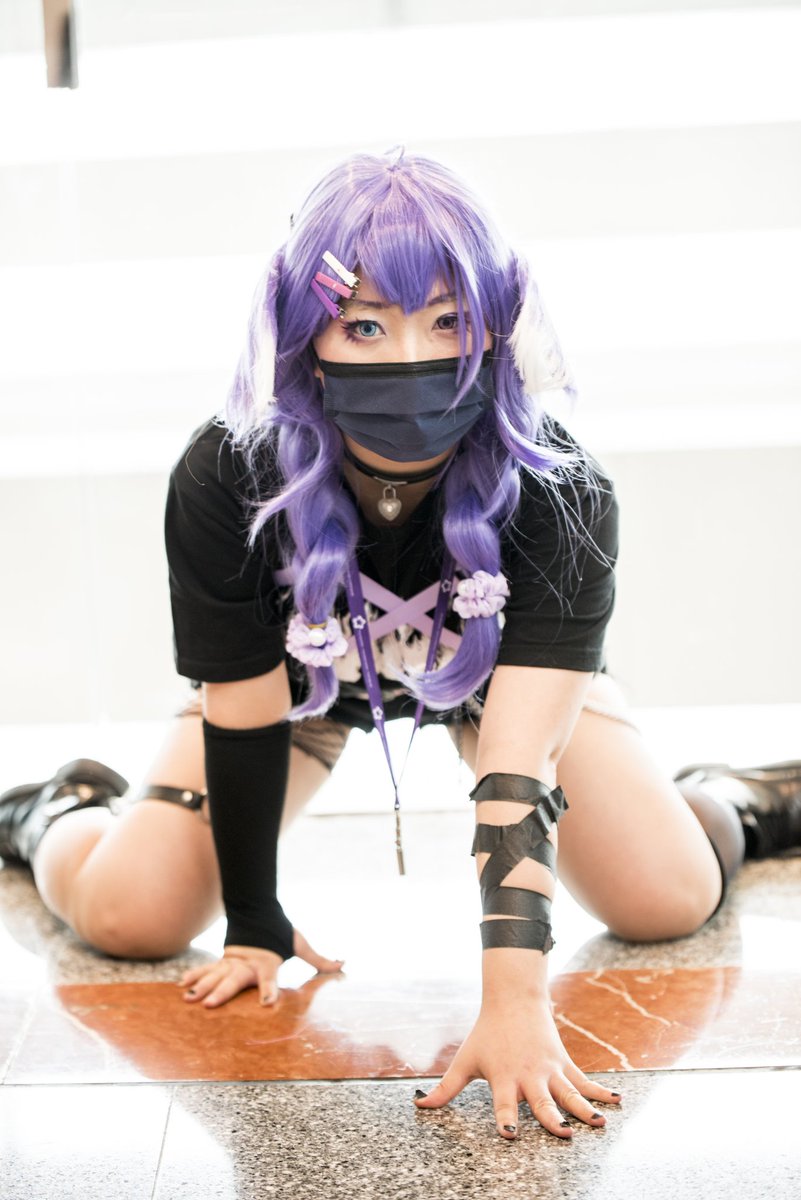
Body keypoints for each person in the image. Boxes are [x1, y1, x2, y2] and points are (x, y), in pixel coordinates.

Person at [2, 148, 800, 1142]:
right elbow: (243, 711)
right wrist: (253, 917)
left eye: (448, 322)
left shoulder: (561, 487)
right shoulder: (225, 470)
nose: (409, 358)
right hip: (298, 697)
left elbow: (519, 759)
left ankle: (734, 799)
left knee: (665, 902)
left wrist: (515, 1004)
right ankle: (54, 809)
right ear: (305, 332)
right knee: (131, 917)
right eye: (365, 325)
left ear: (500, 325)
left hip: (501, 689)